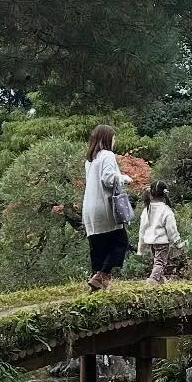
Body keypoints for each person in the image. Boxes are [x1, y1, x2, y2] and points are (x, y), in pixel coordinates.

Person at [82, 123, 130, 289]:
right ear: (107, 138)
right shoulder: (107, 155)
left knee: (98, 246)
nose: (114, 141)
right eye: (113, 138)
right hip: (104, 206)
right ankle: (102, 276)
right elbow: (108, 179)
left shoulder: (90, 160)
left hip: (89, 209)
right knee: (121, 242)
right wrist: (124, 178)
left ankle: (95, 281)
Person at [138, 179, 184, 283]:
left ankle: (161, 280)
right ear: (165, 194)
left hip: (150, 241)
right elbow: (171, 229)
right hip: (162, 242)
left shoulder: (147, 209)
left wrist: (141, 246)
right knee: (160, 262)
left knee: (157, 261)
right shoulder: (166, 210)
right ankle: (153, 280)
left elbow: (142, 229)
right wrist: (178, 242)